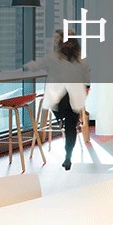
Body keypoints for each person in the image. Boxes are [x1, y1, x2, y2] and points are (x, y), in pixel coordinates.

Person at [25, 30, 90, 170]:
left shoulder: (54, 57)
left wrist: (24, 65)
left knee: (58, 110)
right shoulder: (81, 58)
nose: (54, 41)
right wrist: (86, 88)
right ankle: (68, 157)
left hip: (59, 99)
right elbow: (87, 77)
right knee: (71, 128)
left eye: (56, 39)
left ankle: (60, 121)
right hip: (75, 97)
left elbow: (35, 66)